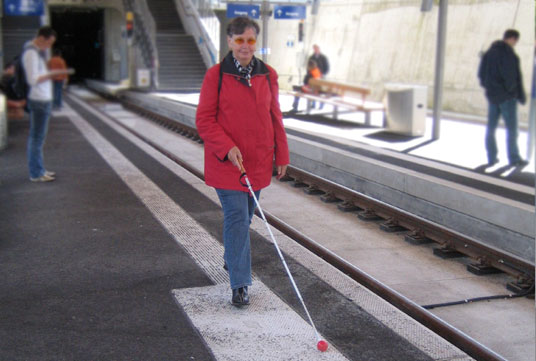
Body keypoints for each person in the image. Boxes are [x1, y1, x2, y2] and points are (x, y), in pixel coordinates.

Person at [196, 16, 289, 307]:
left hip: (258, 161)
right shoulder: (216, 76)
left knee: (246, 218)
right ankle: (240, 284)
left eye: (250, 40)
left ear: (256, 42)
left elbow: (275, 115)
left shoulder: (268, 74)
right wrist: (227, 147)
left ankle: (231, 258)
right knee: (237, 219)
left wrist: (281, 153)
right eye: (239, 40)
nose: (245, 46)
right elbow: (204, 120)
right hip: (227, 163)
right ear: (229, 42)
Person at [23, 26, 68, 182]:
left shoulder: (36, 52)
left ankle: (40, 170)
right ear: (42, 38)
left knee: (39, 138)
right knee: (36, 138)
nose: (49, 46)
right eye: (49, 42)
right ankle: (36, 173)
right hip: (39, 100)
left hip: (43, 100)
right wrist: (52, 74)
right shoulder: (31, 53)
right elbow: (32, 79)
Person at [478, 29, 528, 167]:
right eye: (515, 41)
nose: (515, 44)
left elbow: (481, 75)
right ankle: (514, 158)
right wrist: (513, 93)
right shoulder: (508, 54)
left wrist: (490, 89)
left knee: (491, 128)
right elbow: (512, 76)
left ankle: (492, 158)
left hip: (492, 97)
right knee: (512, 129)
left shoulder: (489, 53)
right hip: (507, 98)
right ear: (512, 38)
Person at [308, 45, 329, 109]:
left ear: (319, 49)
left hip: (321, 77)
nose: (315, 50)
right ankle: (313, 104)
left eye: (317, 48)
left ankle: (321, 104)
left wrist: (323, 74)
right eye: (314, 49)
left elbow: (327, 67)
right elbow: (309, 66)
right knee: (314, 90)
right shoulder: (311, 57)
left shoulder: (323, 57)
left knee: (321, 91)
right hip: (313, 77)